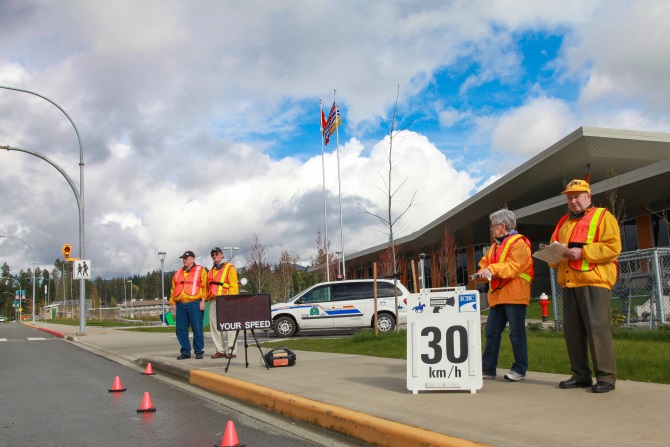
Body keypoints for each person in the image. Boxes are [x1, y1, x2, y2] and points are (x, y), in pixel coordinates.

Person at [550, 179, 621, 393]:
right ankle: (581, 376)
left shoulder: (603, 217)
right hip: (569, 283)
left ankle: (606, 377)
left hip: (594, 282)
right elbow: (554, 248)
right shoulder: (563, 222)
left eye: (577, 196)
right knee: (572, 332)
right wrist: (552, 254)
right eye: (570, 197)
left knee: (597, 330)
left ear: (588, 197)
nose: (573, 201)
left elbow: (613, 247)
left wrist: (584, 252)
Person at [477, 209, 534, 382]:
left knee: (516, 333)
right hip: (498, 297)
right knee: (492, 332)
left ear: (502, 226)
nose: (491, 229)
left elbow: (513, 267)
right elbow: (484, 265)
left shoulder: (519, 243)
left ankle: (519, 369)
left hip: (514, 295)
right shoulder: (494, 247)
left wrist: (490, 270)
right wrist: (480, 274)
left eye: (493, 226)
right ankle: (488, 369)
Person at [169, 250, 208, 360]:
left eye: (186, 258)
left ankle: (198, 351)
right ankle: (185, 351)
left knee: (197, 328)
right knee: (180, 329)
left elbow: (205, 286)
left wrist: (203, 300)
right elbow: (173, 289)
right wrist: (173, 302)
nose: (184, 260)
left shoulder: (200, 270)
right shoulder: (178, 272)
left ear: (192, 259)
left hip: (195, 303)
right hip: (180, 304)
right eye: (183, 259)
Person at [206, 246, 240, 359]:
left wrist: (231, 299)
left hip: (226, 300)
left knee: (229, 326)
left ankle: (231, 350)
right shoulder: (210, 271)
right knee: (215, 327)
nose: (215, 256)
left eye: (217, 254)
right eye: (213, 255)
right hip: (213, 301)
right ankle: (220, 350)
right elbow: (208, 287)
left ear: (222, 255)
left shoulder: (229, 268)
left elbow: (234, 286)